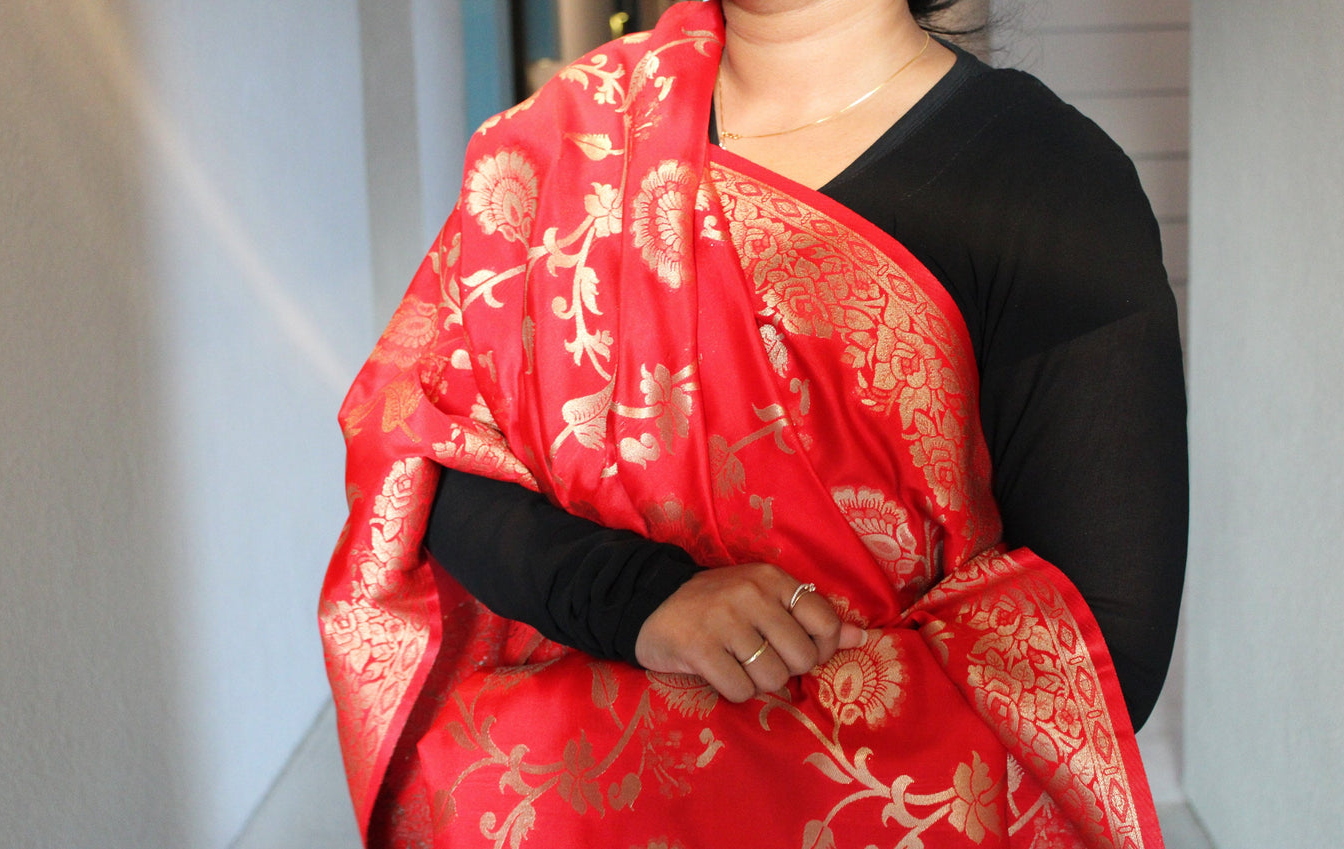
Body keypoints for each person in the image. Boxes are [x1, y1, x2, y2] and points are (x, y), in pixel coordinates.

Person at [321, 1, 1187, 846]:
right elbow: (425, 455)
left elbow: (1095, 645)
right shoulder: (563, 148)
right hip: (565, 800)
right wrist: (639, 599)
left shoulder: (1049, 179)